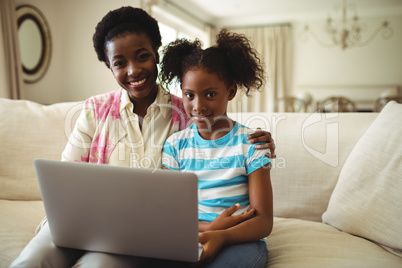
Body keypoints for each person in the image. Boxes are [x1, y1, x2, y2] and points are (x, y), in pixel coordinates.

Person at [10, 6, 274, 268]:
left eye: (142, 56)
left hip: (130, 237)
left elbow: (221, 135)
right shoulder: (94, 111)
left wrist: (262, 143)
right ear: (109, 67)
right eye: (120, 63)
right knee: (31, 261)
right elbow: (64, 181)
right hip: (79, 222)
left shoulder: (186, 114)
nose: (133, 70)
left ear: (157, 55)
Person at [160, 29, 273, 267]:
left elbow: (263, 221)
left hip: (241, 239)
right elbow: (173, 215)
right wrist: (207, 230)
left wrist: (221, 236)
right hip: (192, 236)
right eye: (189, 95)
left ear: (230, 92)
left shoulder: (252, 143)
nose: (198, 105)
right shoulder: (174, 146)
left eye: (210, 94)